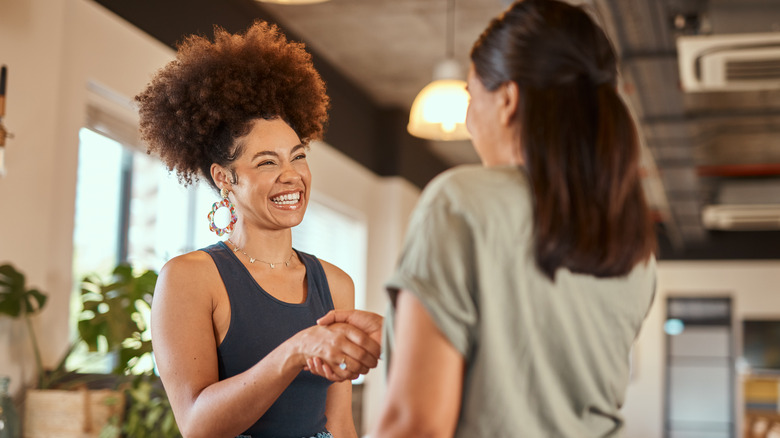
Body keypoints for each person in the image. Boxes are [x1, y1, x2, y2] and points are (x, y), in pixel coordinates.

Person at [316, 0, 658, 436]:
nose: (468, 118)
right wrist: (403, 333)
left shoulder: (461, 202)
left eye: (470, 96)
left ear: (508, 100)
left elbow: (416, 426)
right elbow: (536, 368)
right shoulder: (628, 239)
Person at [136, 21, 380, 438]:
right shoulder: (190, 279)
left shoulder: (336, 284)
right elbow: (196, 425)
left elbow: (339, 423)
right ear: (224, 177)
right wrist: (295, 350)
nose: (292, 175)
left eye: (298, 156)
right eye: (267, 162)